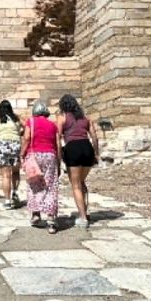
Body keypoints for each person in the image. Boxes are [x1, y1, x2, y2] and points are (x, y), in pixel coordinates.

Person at [56, 93, 99, 229]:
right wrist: (96, 153)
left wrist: (58, 155)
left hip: (72, 148)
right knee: (81, 182)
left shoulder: (62, 118)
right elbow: (94, 137)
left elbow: (57, 138)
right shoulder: (86, 118)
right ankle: (84, 211)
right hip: (87, 148)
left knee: (76, 185)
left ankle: (82, 217)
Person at [22, 99, 61, 233]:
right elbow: (57, 144)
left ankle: (36, 215)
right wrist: (59, 162)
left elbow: (27, 137)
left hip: (34, 156)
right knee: (50, 186)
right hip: (50, 155)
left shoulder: (30, 122)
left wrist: (22, 153)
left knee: (34, 185)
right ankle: (51, 220)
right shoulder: (53, 125)